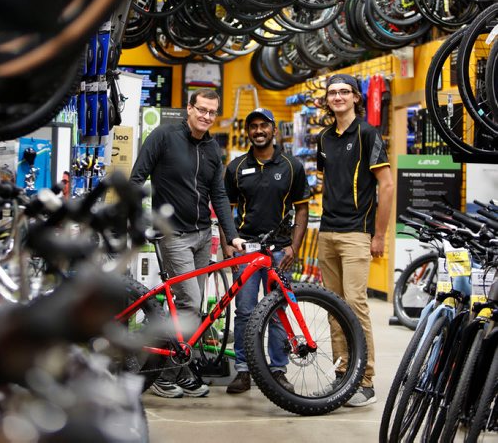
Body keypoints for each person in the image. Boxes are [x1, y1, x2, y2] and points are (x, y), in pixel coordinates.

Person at [130, 88, 244, 399]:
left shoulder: (211, 149)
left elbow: (218, 196)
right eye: (202, 109)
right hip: (173, 235)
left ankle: (174, 368)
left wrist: (231, 234)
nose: (207, 116)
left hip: (203, 236)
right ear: (189, 109)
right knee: (190, 304)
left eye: (212, 112)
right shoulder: (164, 136)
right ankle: (163, 373)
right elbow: (136, 179)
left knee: (189, 309)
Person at [316, 74, 394, 408]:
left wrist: (379, 235)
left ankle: (364, 380)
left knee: (355, 305)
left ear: (355, 98)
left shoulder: (367, 133)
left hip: (356, 233)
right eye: (332, 92)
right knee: (333, 308)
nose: (338, 97)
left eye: (344, 92)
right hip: (327, 231)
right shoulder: (323, 138)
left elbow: (387, 186)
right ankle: (341, 375)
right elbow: (327, 180)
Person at [220, 107, 310, 395]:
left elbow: (302, 208)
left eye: (264, 126)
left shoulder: (292, 166)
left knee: (278, 311)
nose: (259, 131)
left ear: (273, 129)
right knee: (245, 311)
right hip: (246, 250)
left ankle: (278, 370)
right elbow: (226, 212)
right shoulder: (235, 168)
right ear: (248, 131)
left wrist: (295, 246)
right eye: (253, 126)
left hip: (280, 251)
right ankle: (244, 371)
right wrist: (227, 246)